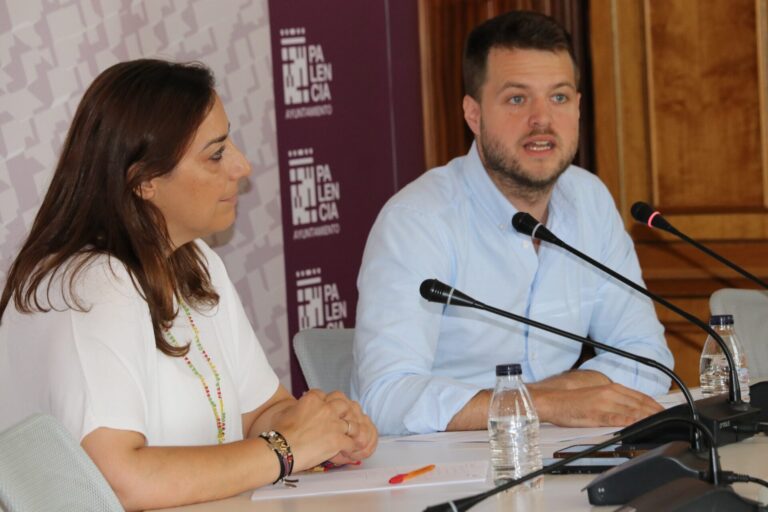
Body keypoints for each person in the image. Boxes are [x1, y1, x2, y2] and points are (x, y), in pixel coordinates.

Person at [0, 59, 377, 511]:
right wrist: (286, 450)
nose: (241, 165)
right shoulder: (91, 286)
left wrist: (326, 428)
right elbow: (120, 480)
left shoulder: (197, 261)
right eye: (216, 154)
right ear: (143, 181)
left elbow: (259, 413)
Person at [352, 11, 673, 436]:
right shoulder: (418, 222)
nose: (541, 119)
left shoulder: (588, 199)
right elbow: (385, 397)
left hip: (562, 453)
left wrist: (552, 399)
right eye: (517, 99)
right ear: (473, 113)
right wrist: (545, 403)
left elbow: (646, 355)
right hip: (449, 472)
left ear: (578, 107)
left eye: (558, 98)